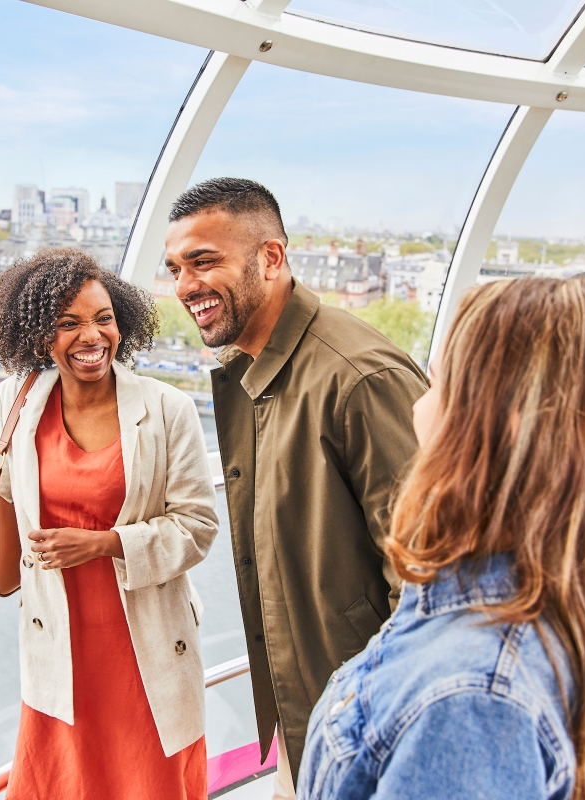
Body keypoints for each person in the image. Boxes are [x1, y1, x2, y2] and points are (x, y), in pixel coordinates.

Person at [300, 276, 585, 800]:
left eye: (437, 385)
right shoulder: (560, 604)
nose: (417, 407)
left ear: (491, 421)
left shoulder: (471, 695)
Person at [0, 248, 218, 800]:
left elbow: (197, 524)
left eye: (103, 318)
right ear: (38, 336)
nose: (92, 335)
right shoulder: (16, 400)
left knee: (146, 780)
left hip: (144, 642)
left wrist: (106, 544)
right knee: (62, 782)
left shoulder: (167, 409)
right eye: (68, 323)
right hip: (59, 638)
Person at [164, 178, 428, 794]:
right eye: (176, 268)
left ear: (272, 258)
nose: (185, 286)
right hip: (310, 714)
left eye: (205, 261)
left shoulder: (359, 377)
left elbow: (427, 575)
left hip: (366, 725)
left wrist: (377, 717)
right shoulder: (251, 374)